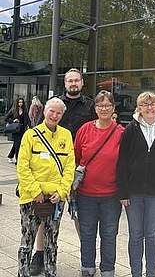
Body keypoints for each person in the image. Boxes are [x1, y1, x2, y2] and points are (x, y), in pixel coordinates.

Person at [30, 68, 96, 276]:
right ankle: (39, 255)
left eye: (77, 80)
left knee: (80, 216)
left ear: (82, 82)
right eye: (70, 80)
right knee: (44, 214)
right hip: (51, 171)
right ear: (65, 83)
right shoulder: (55, 104)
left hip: (79, 171)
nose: (73, 83)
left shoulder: (90, 106)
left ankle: (87, 259)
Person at [117, 91, 155, 277]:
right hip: (133, 193)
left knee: (152, 236)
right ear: (139, 108)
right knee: (136, 236)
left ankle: (151, 273)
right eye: (145, 104)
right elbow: (122, 162)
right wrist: (123, 192)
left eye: (153, 104)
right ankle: (136, 273)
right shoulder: (130, 130)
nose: (150, 107)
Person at [17, 97, 75, 277]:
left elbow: (69, 167)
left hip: (55, 199)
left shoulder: (66, 135)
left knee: (52, 242)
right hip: (31, 197)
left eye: (59, 113)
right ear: (44, 111)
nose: (55, 115)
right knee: (27, 240)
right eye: (52, 111)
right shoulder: (31, 135)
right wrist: (35, 191)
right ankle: (23, 272)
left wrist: (62, 191)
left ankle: (51, 272)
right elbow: (23, 167)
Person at [74, 90, 124, 277]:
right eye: (100, 105)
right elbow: (77, 157)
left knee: (109, 234)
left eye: (107, 105)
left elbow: (126, 164)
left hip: (111, 194)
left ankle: (108, 269)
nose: (104, 109)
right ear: (94, 108)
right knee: (87, 233)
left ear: (113, 108)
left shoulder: (121, 132)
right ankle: (87, 266)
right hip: (86, 193)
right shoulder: (84, 130)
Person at [5, 97, 30, 164]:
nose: (20, 104)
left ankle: (10, 156)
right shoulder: (13, 110)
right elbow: (6, 118)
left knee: (16, 144)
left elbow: (27, 119)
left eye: (21, 102)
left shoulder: (24, 110)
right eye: (19, 102)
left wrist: (28, 126)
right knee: (18, 145)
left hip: (22, 130)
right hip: (16, 130)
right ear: (17, 103)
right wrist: (13, 120)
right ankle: (18, 160)